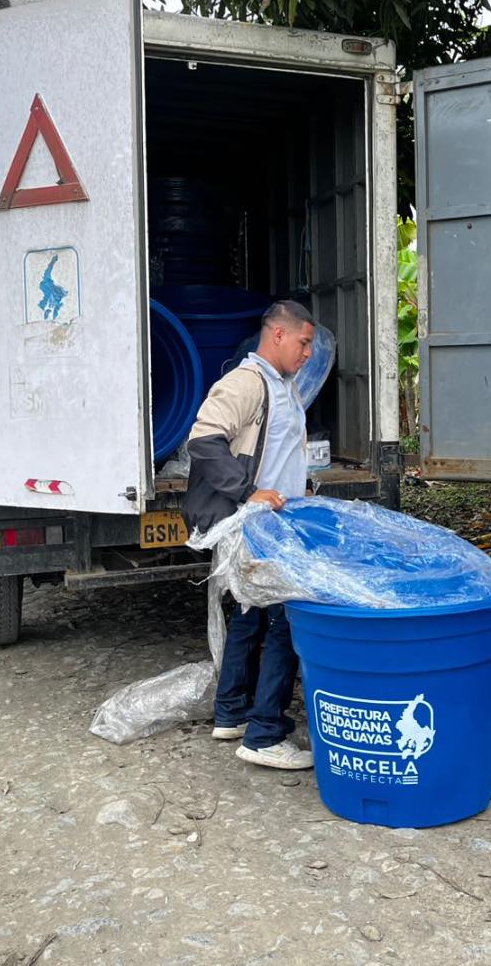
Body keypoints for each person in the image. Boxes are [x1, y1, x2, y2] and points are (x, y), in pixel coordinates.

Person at [182, 299, 316, 771]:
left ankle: (231, 712)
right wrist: (248, 492)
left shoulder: (283, 385)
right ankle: (265, 735)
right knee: (285, 624)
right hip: (258, 527)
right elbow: (203, 440)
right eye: (303, 342)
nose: (307, 353)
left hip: (272, 524)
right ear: (278, 334)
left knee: (250, 615)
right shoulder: (247, 381)